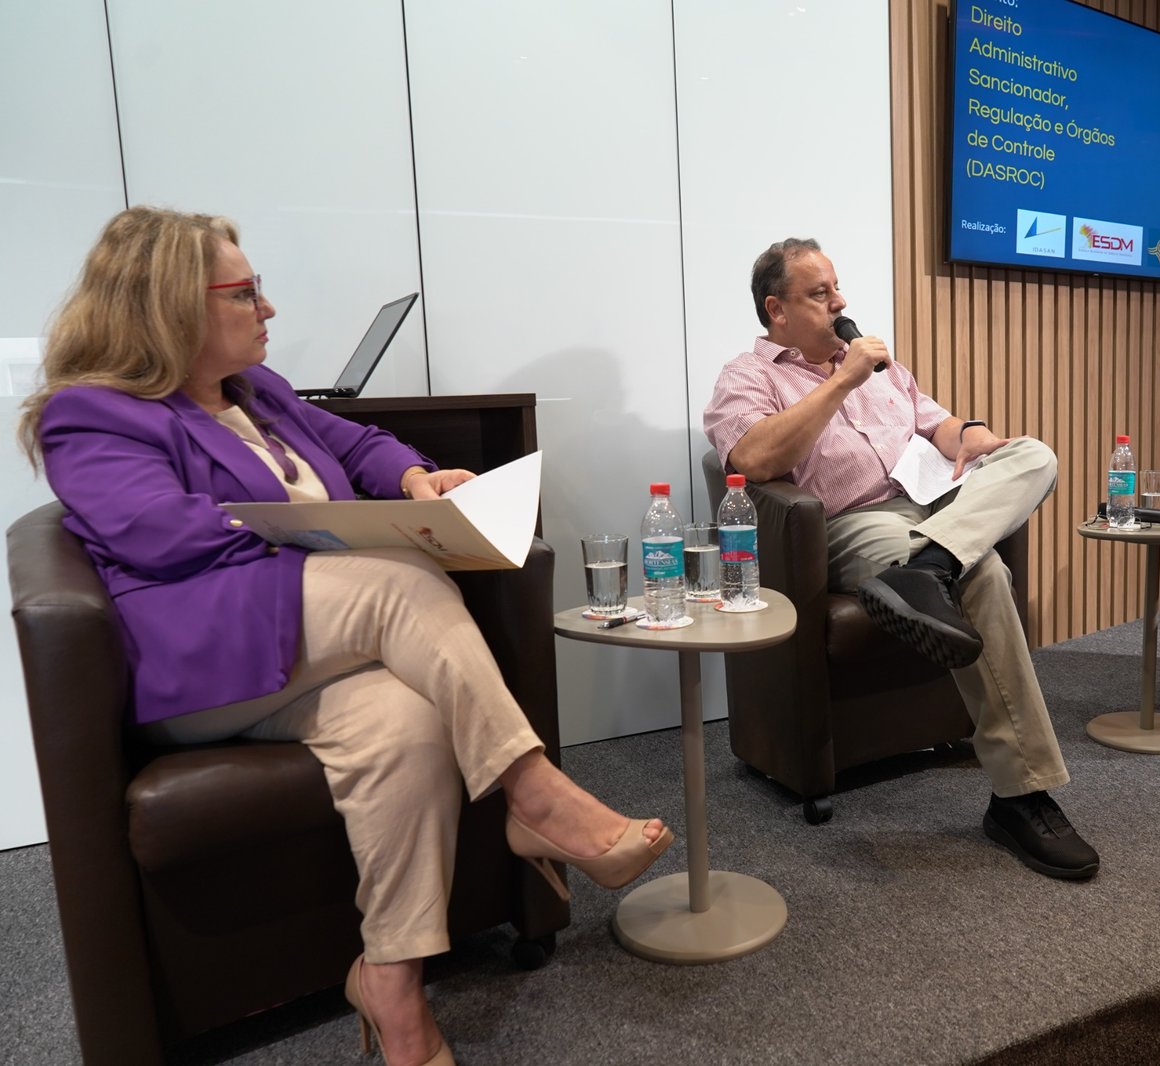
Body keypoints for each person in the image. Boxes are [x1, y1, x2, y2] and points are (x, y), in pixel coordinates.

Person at [18, 207, 674, 1066]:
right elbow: (155, 533)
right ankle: (534, 792)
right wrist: (323, 535)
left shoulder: (259, 392)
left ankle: (391, 985)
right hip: (206, 664)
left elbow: (359, 443)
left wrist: (413, 477)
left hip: (306, 649)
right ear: (168, 304)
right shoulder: (91, 414)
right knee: (400, 577)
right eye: (244, 292)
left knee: (405, 726)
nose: (267, 308)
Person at [703, 237, 1098, 881]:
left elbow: (937, 425)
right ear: (776, 309)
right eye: (820, 293)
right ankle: (1021, 796)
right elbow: (752, 460)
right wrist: (843, 381)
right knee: (985, 572)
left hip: (931, 507)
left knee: (1034, 454)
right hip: (850, 524)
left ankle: (933, 566)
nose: (840, 302)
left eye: (837, 288)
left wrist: (973, 436)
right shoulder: (748, 376)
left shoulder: (885, 368)